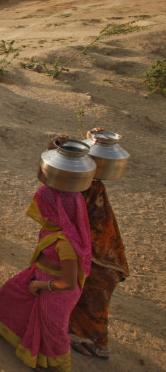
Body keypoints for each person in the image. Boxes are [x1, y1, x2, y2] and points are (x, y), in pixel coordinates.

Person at [0, 183, 92, 372]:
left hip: (56, 293)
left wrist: (41, 285)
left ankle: (60, 368)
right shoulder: (54, 230)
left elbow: (69, 283)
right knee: (11, 294)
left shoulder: (65, 244)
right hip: (41, 277)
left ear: (56, 211)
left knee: (53, 332)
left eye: (43, 206)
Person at [57, 132, 129, 360]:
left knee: (92, 307)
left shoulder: (84, 192)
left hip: (101, 261)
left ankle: (98, 344)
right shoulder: (93, 188)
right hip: (105, 257)